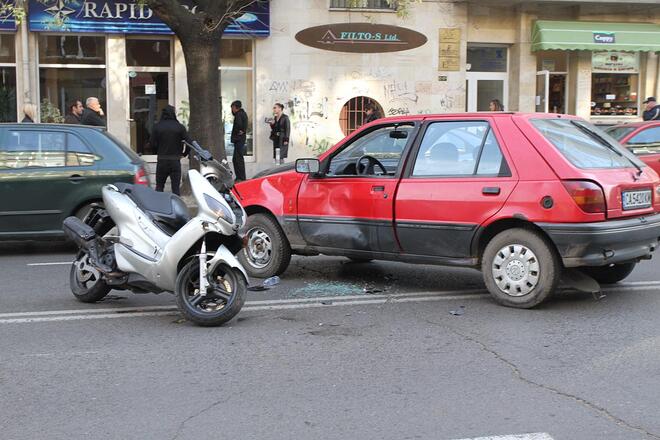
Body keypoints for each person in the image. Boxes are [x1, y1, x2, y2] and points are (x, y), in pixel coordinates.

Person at [150, 105, 191, 196]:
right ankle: (176, 208)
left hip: (162, 160)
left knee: (159, 186)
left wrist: (157, 150)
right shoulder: (180, 127)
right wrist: (184, 154)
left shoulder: (157, 127)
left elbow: (152, 143)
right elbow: (189, 142)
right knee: (176, 189)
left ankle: (159, 208)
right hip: (175, 161)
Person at [230, 100, 248, 182]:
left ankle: (241, 177)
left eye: (232, 107)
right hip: (239, 139)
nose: (232, 110)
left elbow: (239, 126)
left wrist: (240, 131)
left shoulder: (239, 114)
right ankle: (239, 176)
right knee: (236, 158)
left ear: (235, 107)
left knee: (238, 158)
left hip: (239, 139)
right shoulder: (242, 114)